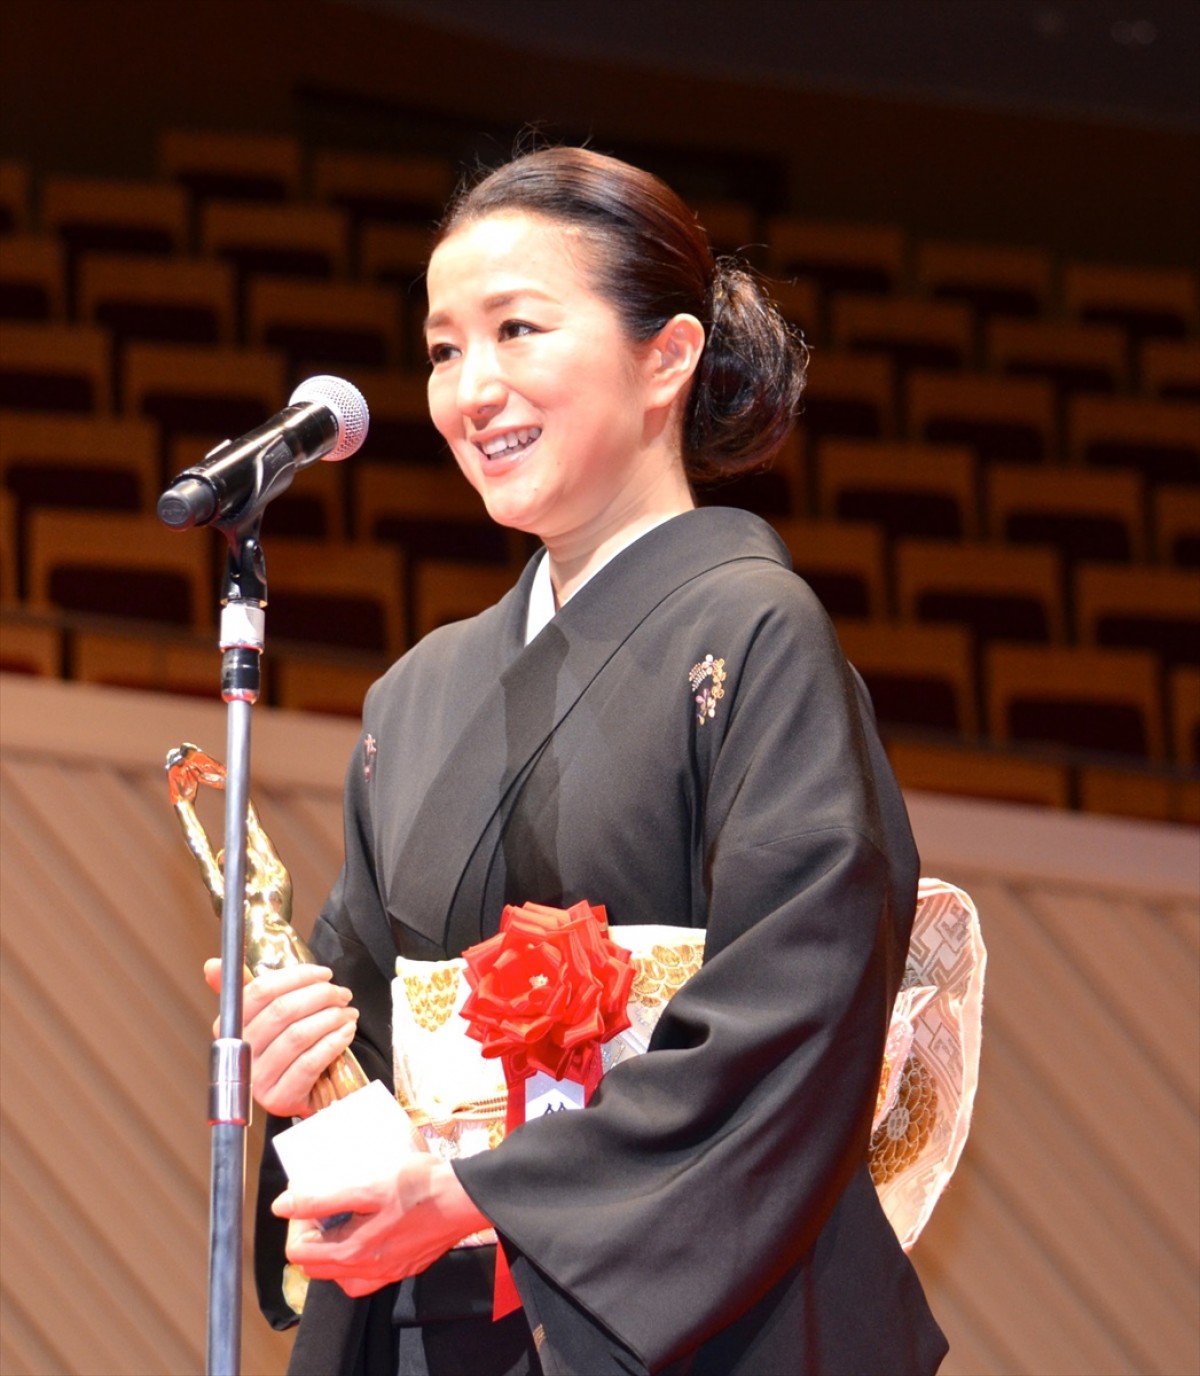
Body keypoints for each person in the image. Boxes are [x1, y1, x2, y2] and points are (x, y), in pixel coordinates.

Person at [206, 146, 948, 1376]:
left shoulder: (754, 632)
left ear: (667, 357)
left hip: (673, 1331)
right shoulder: (419, 693)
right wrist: (308, 1072)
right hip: (439, 1330)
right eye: (445, 348)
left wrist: (472, 1188)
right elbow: (375, 1070)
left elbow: (790, 1023)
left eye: (517, 329)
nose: (470, 387)